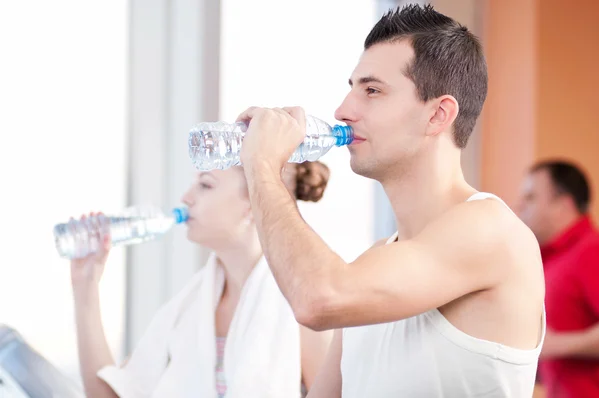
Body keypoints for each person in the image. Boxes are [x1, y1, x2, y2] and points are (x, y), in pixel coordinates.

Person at [234, 4, 545, 397]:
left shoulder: (492, 230)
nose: (343, 111)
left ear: (437, 115)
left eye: (372, 90)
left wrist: (263, 167)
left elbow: (317, 299)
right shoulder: (377, 262)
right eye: (351, 89)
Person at [70, 162, 333, 398]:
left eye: (205, 185)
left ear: (255, 203)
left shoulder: (302, 306)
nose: (186, 197)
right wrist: (86, 286)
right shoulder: (188, 306)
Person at [519, 160, 599, 397]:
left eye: (531, 197)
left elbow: (553, 344)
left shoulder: (592, 252)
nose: (520, 205)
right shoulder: (551, 258)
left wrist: (554, 345)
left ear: (562, 205)